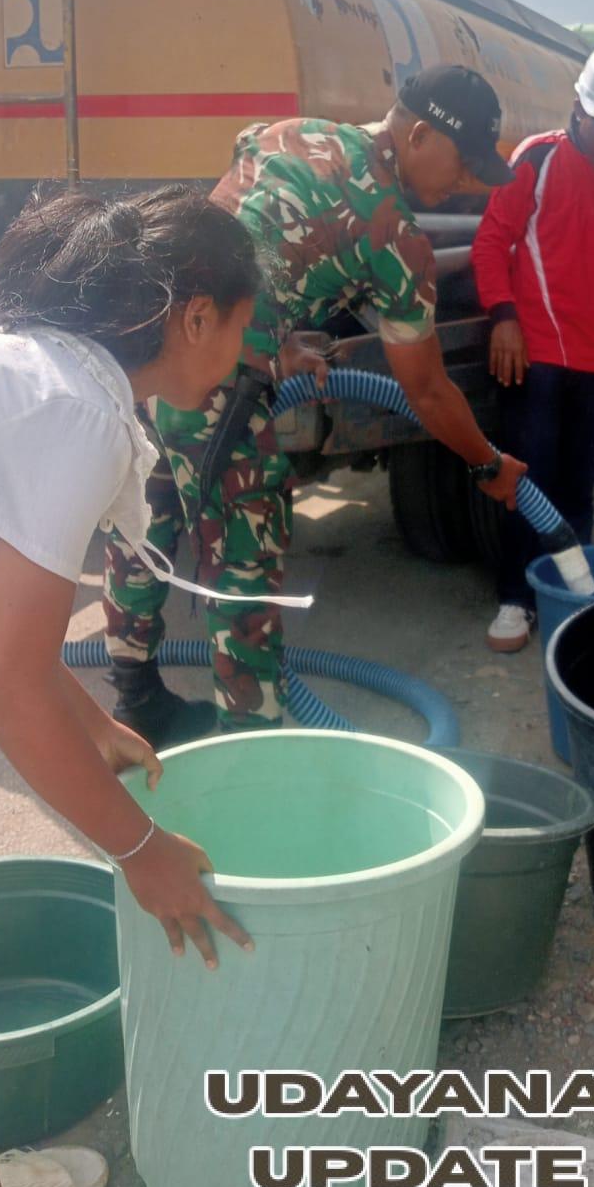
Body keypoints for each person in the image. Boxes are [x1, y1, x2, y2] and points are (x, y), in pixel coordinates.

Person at [0, 187, 260, 1187]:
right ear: (196, 317)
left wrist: (93, 721)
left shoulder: (44, 377)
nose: (239, 352)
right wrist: (141, 853)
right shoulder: (73, 410)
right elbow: (4, 687)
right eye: (241, 326)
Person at [103, 65, 526, 737]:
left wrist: (275, 340)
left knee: (142, 523)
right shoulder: (395, 237)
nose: (467, 184)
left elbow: (244, 233)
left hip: (144, 356)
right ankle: (253, 744)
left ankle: (134, 698)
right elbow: (427, 389)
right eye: (465, 164)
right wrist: (488, 463)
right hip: (216, 393)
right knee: (242, 567)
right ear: (419, 135)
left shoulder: (287, 132)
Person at [471, 43, 594, 652]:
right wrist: (502, 317)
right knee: (529, 482)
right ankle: (514, 599)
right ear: (579, 106)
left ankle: (568, 594)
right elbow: (491, 242)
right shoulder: (536, 159)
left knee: (579, 488)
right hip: (536, 356)